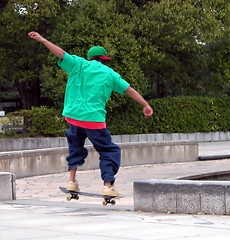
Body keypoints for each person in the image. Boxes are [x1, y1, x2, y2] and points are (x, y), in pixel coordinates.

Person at [28, 31, 153, 197]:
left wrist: (43, 40)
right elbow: (129, 90)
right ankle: (108, 185)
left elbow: (60, 53)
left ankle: (72, 182)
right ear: (104, 59)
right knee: (108, 151)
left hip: (73, 117)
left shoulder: (78, 64)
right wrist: (145, 104)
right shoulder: (110, 74)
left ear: (90, 58)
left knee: (75, 147)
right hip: (94, 120)